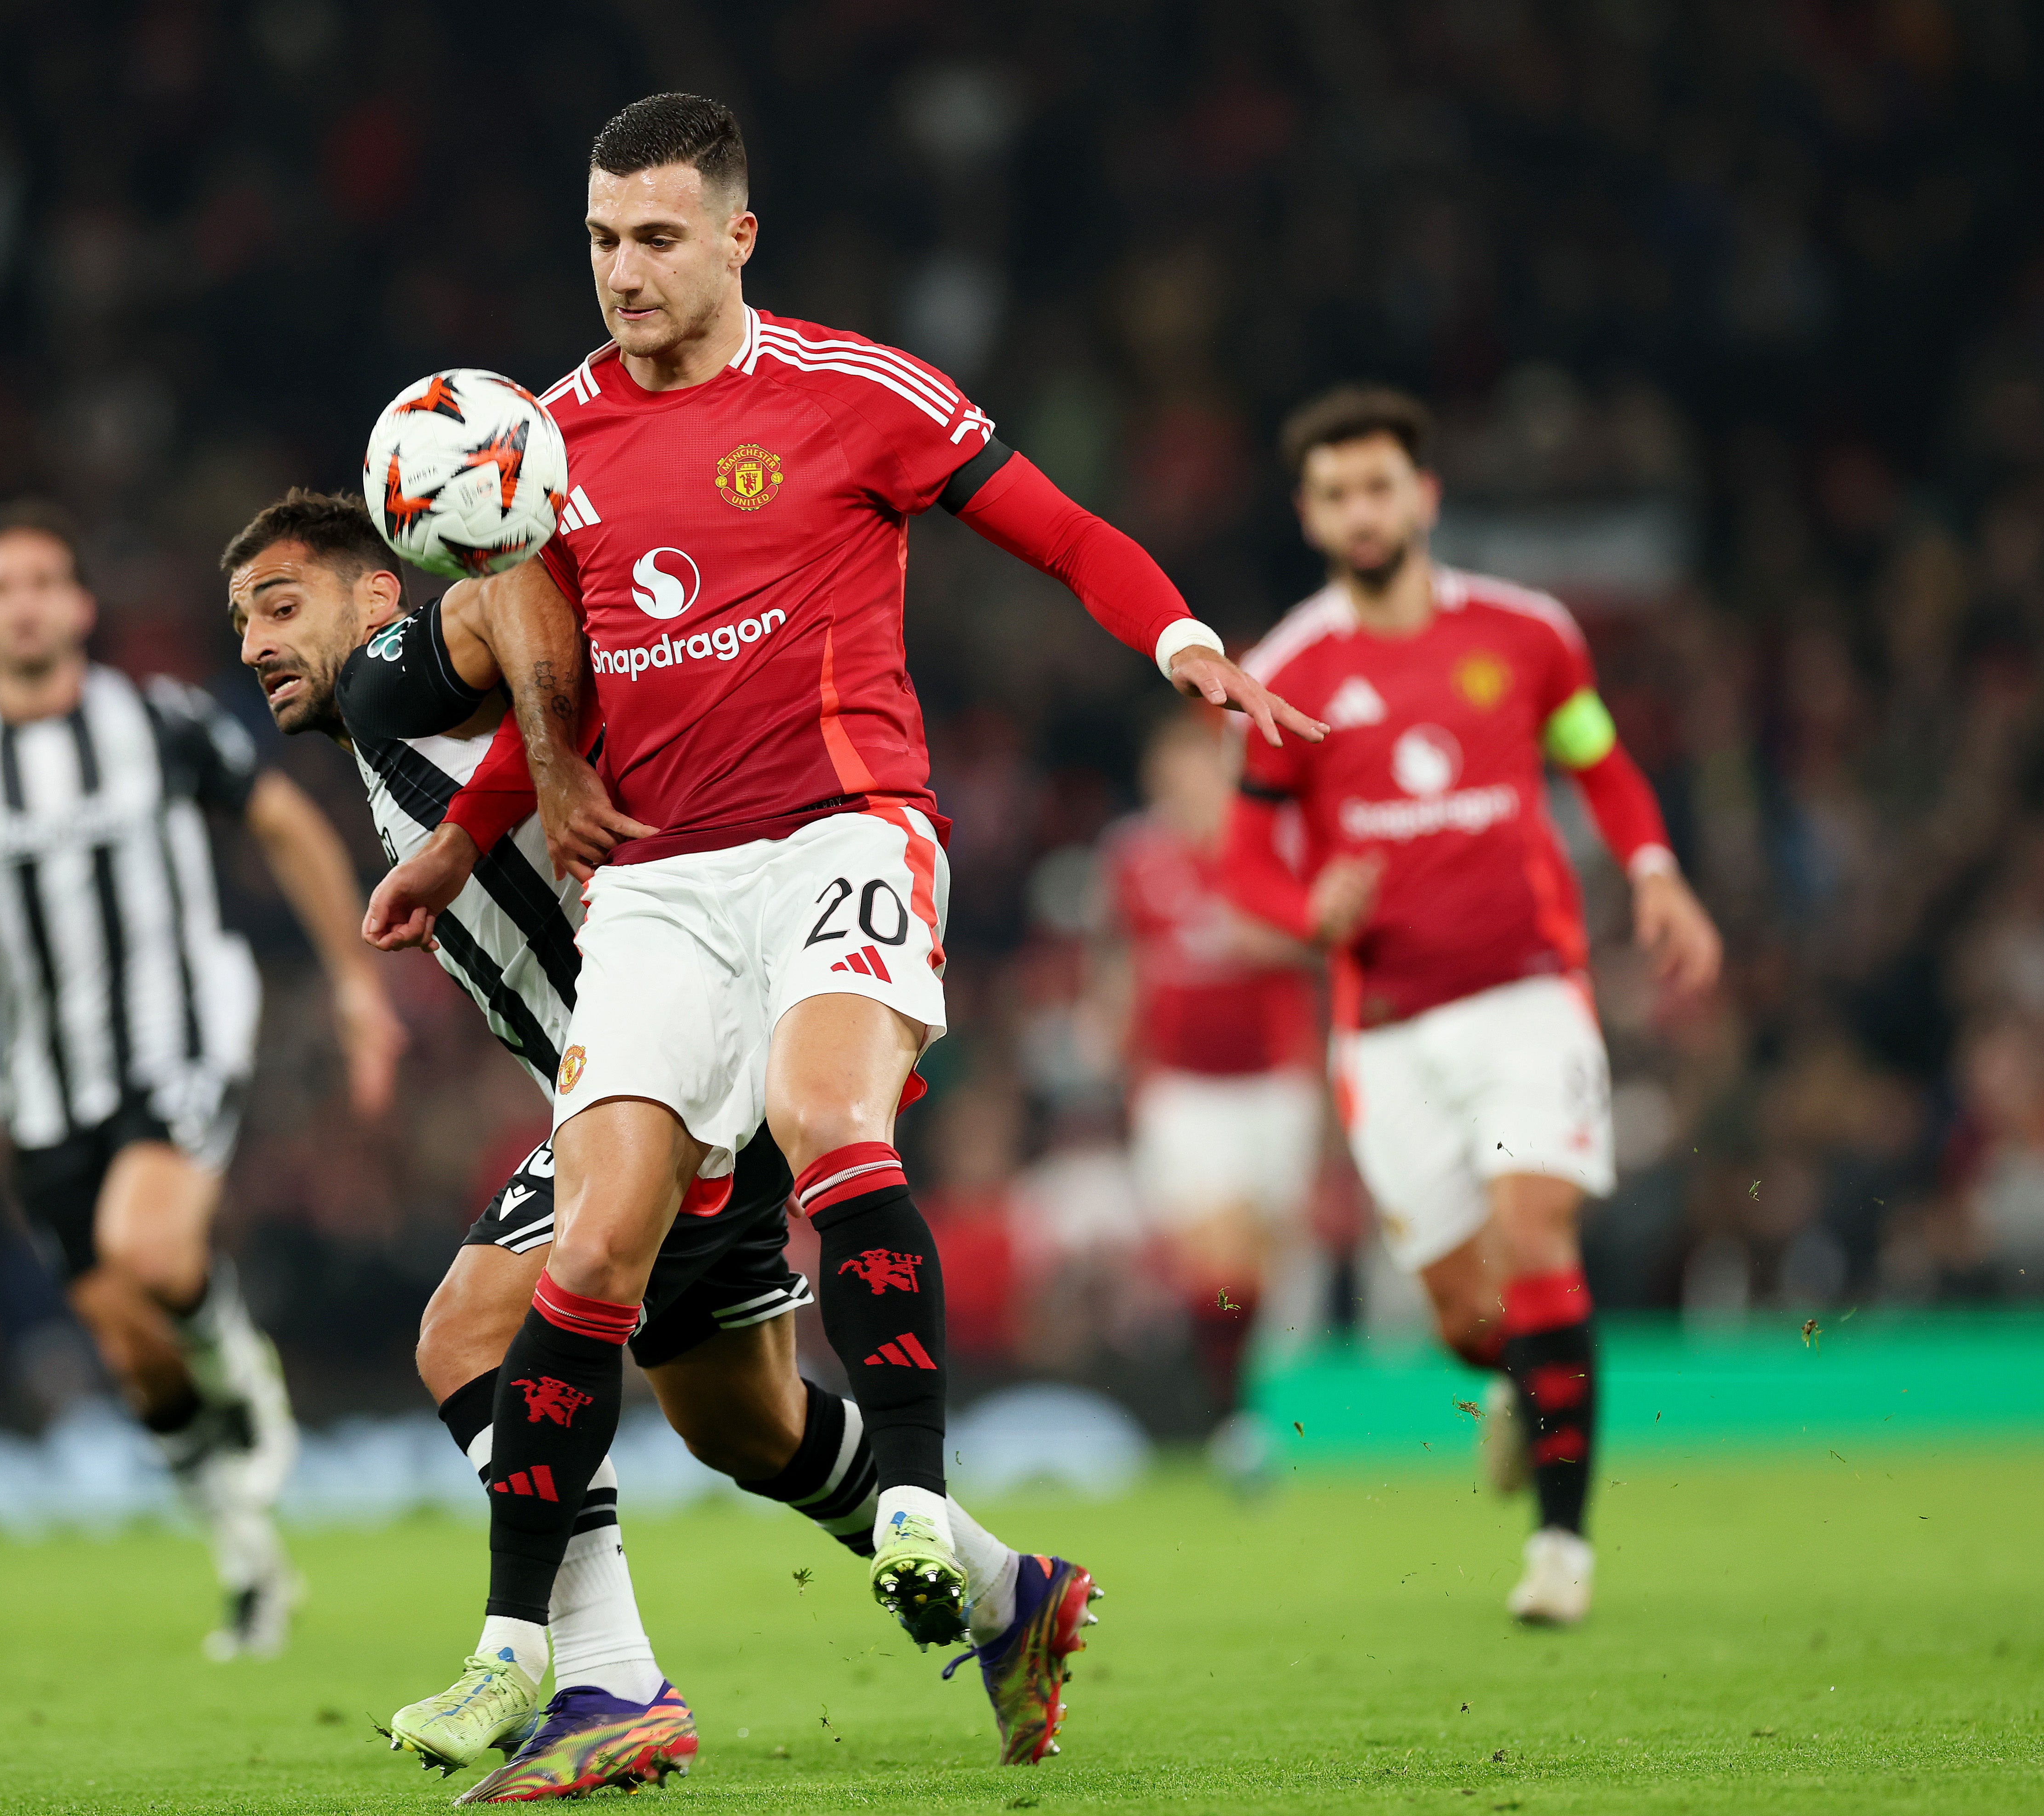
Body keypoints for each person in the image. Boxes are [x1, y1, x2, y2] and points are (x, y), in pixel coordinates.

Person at [364, 92, 1318, 1766]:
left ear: (737, 235)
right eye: (600, 241)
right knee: (588, 1252)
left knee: (824, 1116)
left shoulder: (849, 390)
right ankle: (519, 1643)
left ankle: (918, 1501)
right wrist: (462, 837)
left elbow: (1062, 530)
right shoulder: (553, 439)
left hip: (838, 830)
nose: (622, 273)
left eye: (656, 238)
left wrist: (1174, 636)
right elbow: (582, 680)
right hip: (655, 883)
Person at [222, 488, 1071, 1793]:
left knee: (466, 1335)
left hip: (682, 1071)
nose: (255, 643)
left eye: (283, 607)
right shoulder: (382, 744)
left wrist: (552, 770)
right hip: (675, 1069)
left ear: (376, 599)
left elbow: (512, 587)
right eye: (240, 622)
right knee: (746, 1425)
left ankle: (609, 1679)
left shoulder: (412, 675)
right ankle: (1012, 1593)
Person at [0, 499, 407, 1660]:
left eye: (43, 581)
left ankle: (243, 1368)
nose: (23, 602)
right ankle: (249, 1558)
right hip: (39, 1078)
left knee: (151, 1248)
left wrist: (356, 985)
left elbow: (288, 829)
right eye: (0, 585)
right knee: (126, 1335)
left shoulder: (157, 722)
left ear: (77, 606)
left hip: (180, 1030)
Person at [1217, 386, 1722, 1625]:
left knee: (1535, 1224)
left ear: (1424, 496)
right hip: (1385, 1033)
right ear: (1309, 515)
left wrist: (1655, 873)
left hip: (1527, 1000)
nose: (1362, 510)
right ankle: (1526, 1392)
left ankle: (1560, 1551)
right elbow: (1242, 866)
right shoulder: (1285, 672)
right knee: (1465, 1318)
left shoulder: (1531, 634)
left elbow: (1598, 758)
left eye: (1380, 485)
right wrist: (1305, 915)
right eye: (1336, 493)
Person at [1092, 712, 1323, 1482]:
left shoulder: (1271, 844)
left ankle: (1259, 1409)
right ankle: (1230, 1417)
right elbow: (1122, 956)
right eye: (1177, 768)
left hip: (1274, 1076)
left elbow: (1316, 934)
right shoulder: (1133, 856)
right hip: (1180, 1086)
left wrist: (1268, 936)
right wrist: (1113, 1037)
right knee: (1213, 1259)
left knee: (1268, 1255)